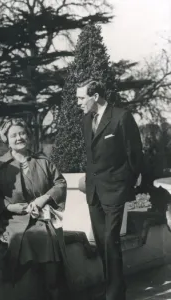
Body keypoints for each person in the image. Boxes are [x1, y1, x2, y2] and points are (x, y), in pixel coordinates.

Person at [0, 118, 69, 300]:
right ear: (6, 139)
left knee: (50, 240)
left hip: (41, 217)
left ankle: (53, 291)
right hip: (13, 220)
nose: (19, 138)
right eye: (13, 135)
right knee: (20, 240)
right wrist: (10, 207)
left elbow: (60, 183)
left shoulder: (43, 161)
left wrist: (43, 199)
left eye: (22, 133)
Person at [77, 80, 143, 300]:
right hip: (94, 191)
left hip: (115, 188)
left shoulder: (121, 117)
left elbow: (134, 153)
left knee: (110, 240)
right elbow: (90, 156)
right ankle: (114, 287)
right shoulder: (86, 120)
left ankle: (114, 294)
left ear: (94, 96)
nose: (78, 103)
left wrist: (128, 181)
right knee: (102, 242)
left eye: (81, 98)